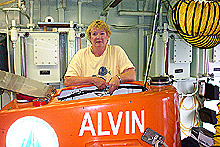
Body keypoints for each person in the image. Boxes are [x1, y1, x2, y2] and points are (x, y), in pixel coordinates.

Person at [64, 20, 136, 94]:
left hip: (112, 98)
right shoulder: (81, 54)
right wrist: (92, 80)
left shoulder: (116, 51)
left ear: (107, 36)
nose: (98, 37)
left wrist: (118, 78)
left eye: (102, 33)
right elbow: (68, 81)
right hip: (89, 100)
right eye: (94, 34)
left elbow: (131, 75)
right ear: (90, 38)